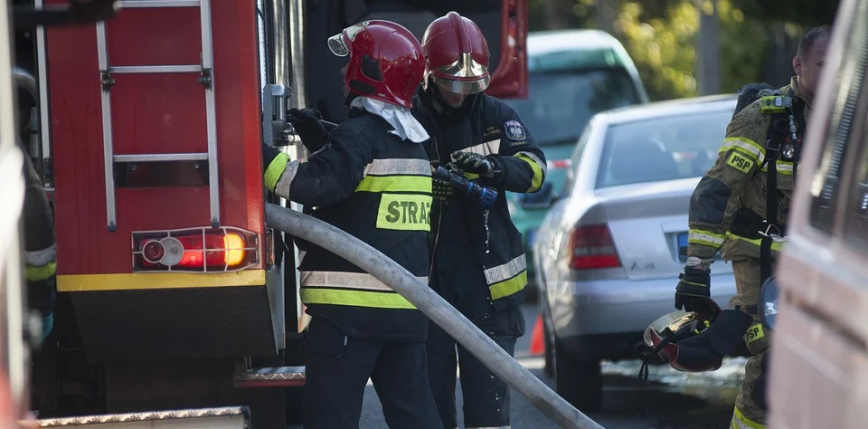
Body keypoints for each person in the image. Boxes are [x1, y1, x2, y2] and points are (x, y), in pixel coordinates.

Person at [262, 20, 441, 429]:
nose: (345, 73)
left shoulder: (360, 135)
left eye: (353, 64)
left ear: (370, 73)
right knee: (414, 417)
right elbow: (364, 192)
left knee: (332, 418)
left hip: (349, 316)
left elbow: (314, 184)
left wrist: (256, 152)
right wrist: (325, 140)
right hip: (405, 311)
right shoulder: (414, 143)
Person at [677, 25, 831, 429]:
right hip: (766, 263)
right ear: (798, 65)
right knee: (772, 367)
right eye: (822, 64)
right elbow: (716, 192)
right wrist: (697, 269)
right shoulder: (764, 119)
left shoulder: (851, 119)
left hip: (833, 265)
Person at [411, 11, 547, 429]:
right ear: (430, 74)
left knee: (489, 410)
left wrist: (494, 169)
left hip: (488, 290)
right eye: (452, 82)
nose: (460, 92)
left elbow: (536, 171)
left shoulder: (495, 115)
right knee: (431, 411)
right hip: (426, 285)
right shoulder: (408, 119)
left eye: (470, 83)